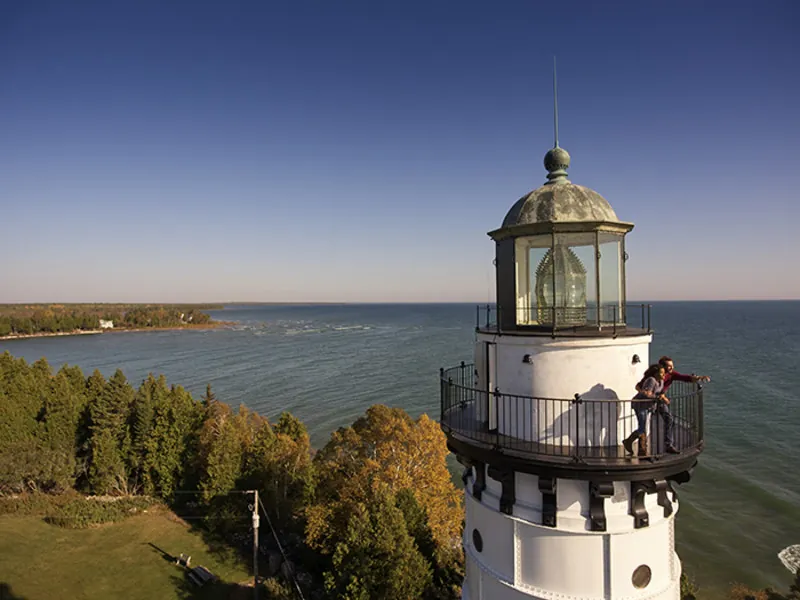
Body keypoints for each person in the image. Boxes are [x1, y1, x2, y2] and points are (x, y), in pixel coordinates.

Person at [623, 364, 667, 457]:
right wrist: (656, 397)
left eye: (664, 373)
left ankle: (642, 451)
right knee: (642, 428)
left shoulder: (661, 382)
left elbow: (659, 392)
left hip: (648, 406)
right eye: (661, 373)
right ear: (655, 373)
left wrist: (662, 396)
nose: (664, 375)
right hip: (640, 405)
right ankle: (629, 442)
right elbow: (646, 393)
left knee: (643, 427)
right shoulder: (651, 380)